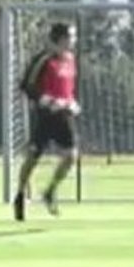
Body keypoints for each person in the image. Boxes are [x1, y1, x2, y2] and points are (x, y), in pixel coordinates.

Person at [13, 22, 80, 222]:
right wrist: (48, 101)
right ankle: (20, 194)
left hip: (64, 117)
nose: (73, 41)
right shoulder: (44, 59)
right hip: (45, 116)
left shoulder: (70, 60)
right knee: (33, 157)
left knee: (71, 156)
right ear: (60, 39)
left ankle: (50, 191)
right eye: (71, 37)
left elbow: (67, 88)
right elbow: (27, 85)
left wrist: (72, 102)